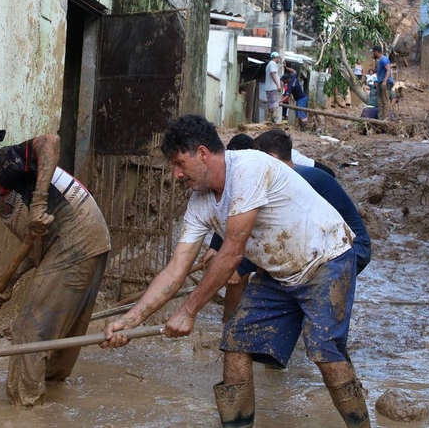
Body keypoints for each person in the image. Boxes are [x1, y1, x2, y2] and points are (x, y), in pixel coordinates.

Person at [102, 116, 371, 428]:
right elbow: (176, 269)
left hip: (327, 258)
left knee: (325, 352)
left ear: (202, 153)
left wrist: (188, 311)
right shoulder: (200, 203)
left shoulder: (248, 168)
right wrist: (129, 321)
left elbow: (232, 253)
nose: (176, 174)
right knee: (236, 341)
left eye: (179, 163)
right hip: (280, 272)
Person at [0, 128, 110, 407]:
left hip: (75, 236)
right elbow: (36, 247)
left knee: (28, 327)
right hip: (90, 237)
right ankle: (54, 398)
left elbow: (49, 141)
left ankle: (26, 410)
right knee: (63, 329)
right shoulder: (4, 188)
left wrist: (37, 205)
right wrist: (8, 283)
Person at [212, 131, 370, 324]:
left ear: (271, 159)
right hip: (323, 245)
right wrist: (217, 247)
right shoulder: (285, 179)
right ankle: (231, 328)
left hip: (348, 249)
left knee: (321, 325)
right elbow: (242, 217)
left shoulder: (293, 183)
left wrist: (241, 266)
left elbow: (281, 238)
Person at [372, 45, 393, 121]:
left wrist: (384, 81)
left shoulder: (384, 59)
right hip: (381, 83)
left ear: (376, 52)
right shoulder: (379, 61)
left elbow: (388, 70)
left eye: (373, 52)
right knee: (380, 101)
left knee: (385, 101)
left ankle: (386, 119)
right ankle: (380, 118)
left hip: (385, 83)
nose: (373, 54)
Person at [264, 51, 283, 124]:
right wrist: (278, 85)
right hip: (272, 87)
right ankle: (274, 120)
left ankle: (270, 120)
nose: (278, 59)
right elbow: (273, 73)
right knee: (275, 104)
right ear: (276, 57)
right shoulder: (272, 64)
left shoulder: (269, 64)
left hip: (269, 87)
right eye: (278, 58)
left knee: (271, 104)